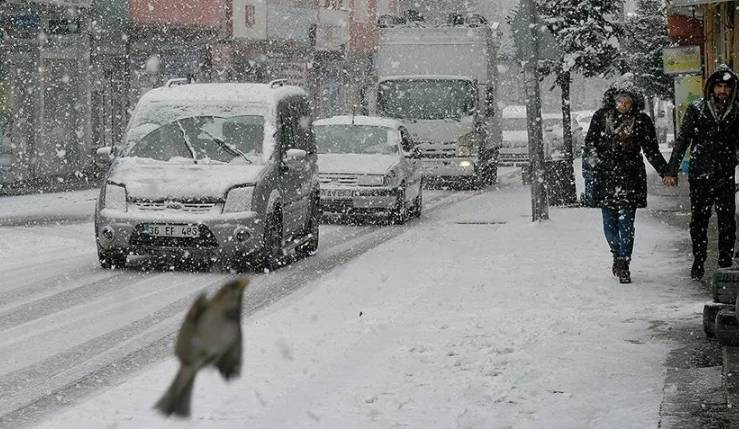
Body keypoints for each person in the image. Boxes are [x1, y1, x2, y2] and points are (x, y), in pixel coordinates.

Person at [582, 77, 668, 283]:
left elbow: (651, 150)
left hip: (631, 176)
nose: (623, 105)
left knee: (627, 222)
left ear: (634, 102)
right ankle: (616, 252)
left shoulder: (642, 120)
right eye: (620, 100)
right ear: (613, 100)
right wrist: (597, 165)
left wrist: (665, 171)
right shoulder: (601, 117)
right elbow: (590, 145)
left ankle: (624, 261)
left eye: (627, 101)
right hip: (606, 176)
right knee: (610, 222)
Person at [663, 65, 739, 280]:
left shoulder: (736, 111)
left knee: (727, 221)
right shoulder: (698, 109)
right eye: (718, 87)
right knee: (699, 220)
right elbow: (683, 140)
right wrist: (672, 170)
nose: (722, 91)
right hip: (701, 173)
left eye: (726, 87)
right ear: (711, 88)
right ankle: (699, 259)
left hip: (726, 173)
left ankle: (724, 261)